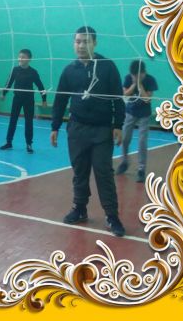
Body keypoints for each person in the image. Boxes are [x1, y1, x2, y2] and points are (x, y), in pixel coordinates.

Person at [50, 26, 126, 237]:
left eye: (85, 41)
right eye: (77, 41)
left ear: (95, 43)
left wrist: (118, 125)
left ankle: (112, 216)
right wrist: (55, 126)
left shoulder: (107, 66)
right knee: (79, 171)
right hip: (77, 129)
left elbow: (117, 98)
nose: (81, 45)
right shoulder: (69, 70)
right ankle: (80, 208)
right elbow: (60, 100)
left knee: (103, 172)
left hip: (102, 130)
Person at [116, 60, 158, 183]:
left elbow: (147, 99)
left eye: (139, 75)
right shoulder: (128, 78)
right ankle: (124, 162)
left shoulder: (150, 80)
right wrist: (134, 84)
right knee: (125, 138)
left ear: (144, 73)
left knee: (142, 141)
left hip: (144, 114)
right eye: (133, 75)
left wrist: (140, 85)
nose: (135, 77)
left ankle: (141, 169)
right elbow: (125, 94)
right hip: (130, 112)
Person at [0, 49, 47, 153]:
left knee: (29, 122)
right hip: (17, 99)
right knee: (13, 120)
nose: (20, 59)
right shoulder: (15, 70)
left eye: (23, 57)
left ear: (29, 59)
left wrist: (44, 100)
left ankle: (29, 144)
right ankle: (8, 142)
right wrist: (4, 93)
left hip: (29, 100)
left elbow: (41, 86)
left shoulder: (33, 72)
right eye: (19, 56)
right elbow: (8, 83)